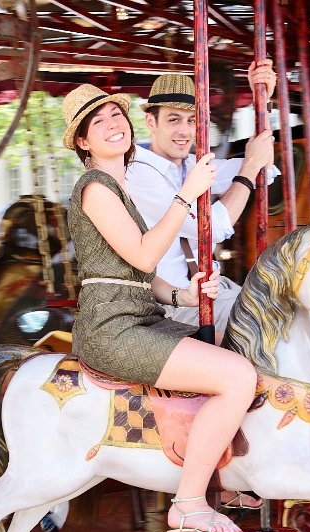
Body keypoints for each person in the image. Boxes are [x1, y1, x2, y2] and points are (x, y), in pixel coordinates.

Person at [62, 83, 257, 532]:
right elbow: (147, 255)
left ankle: (221, 473)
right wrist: (186, 195)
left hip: (141, 315)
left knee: (233, 353)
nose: (113, 124)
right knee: (237, 377)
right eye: (98, 121)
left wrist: (182, 298)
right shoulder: (95, 188)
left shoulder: (119, 188)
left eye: (116, 115)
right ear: (83, 142)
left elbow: (140, 274)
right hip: (112, 328)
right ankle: (189, 503)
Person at [126, 61, 277, 335]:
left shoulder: (187, 165)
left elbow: (264, 168)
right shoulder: (138, 174)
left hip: (206, 293)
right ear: (151, 122)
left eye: (192, 120)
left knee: (291, 309)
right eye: (174, 119)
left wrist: (262, 100)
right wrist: (249, 169)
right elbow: (214, 228)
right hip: (169, 306)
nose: (185, 131)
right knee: (268, 329)